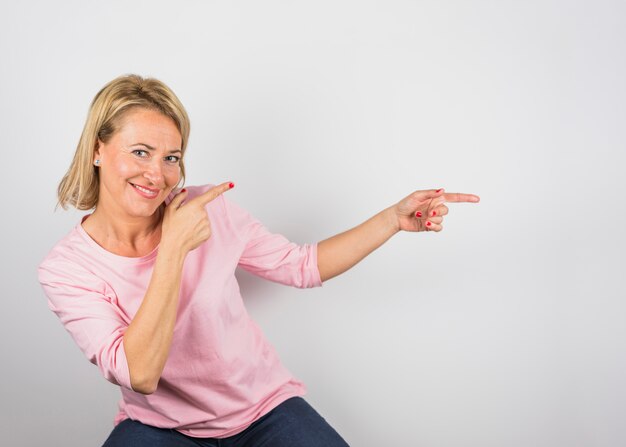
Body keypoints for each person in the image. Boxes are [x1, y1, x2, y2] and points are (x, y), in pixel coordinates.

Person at [38, 74, 480, 447]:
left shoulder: (205, 208)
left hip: (262, 410)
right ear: (97, 150)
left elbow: (302, 265)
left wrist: (392, 220)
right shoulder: (67, 269)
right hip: (159, 427)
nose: (157, 174)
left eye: (171, 157)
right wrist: (172, 249)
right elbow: (141, 375)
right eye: (140, 152)